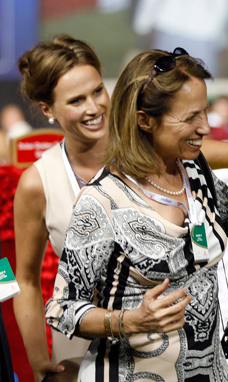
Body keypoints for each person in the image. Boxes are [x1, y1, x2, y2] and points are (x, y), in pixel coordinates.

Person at [44, 47, 228, 381]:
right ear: (144, 120)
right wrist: (131, 321)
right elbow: (62, 308)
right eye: (190, 118)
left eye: (204, 112)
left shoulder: (194, 172)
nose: (205, 127)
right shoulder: (102, 201)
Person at [13, 34, 109, 382]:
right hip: (78, 350)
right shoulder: (37, 181)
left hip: (161, 339)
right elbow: (24, 280)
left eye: (98, 91)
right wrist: (41, 363)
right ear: (47, 110)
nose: (94, 107)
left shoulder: (145, 149)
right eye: (76, 100)